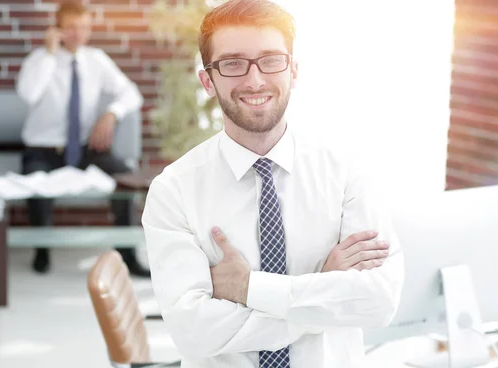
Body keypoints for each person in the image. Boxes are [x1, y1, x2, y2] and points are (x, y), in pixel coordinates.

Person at [142, 0, 404, 366]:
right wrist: (323, 292)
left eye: (271, 60)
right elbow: (194, 332)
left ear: (293, 71)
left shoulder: (346, 171)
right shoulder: (174, 191)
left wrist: (251, 289)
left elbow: (378, 302)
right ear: (207, 80)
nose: (254, 80)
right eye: (233, 63)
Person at [15, 1, 149, 277]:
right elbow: (28, 95)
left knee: (124, 176)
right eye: (72, 27)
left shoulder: (96, 59)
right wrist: (50, 55)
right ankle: (42, 249)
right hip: (42, 149)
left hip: (86, 148)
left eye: (85, 27)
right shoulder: (38, 60)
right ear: (57, 28)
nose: (79, 34)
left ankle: (127, 254)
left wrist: (111, 113)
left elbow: (131, 93)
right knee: (37, 184)